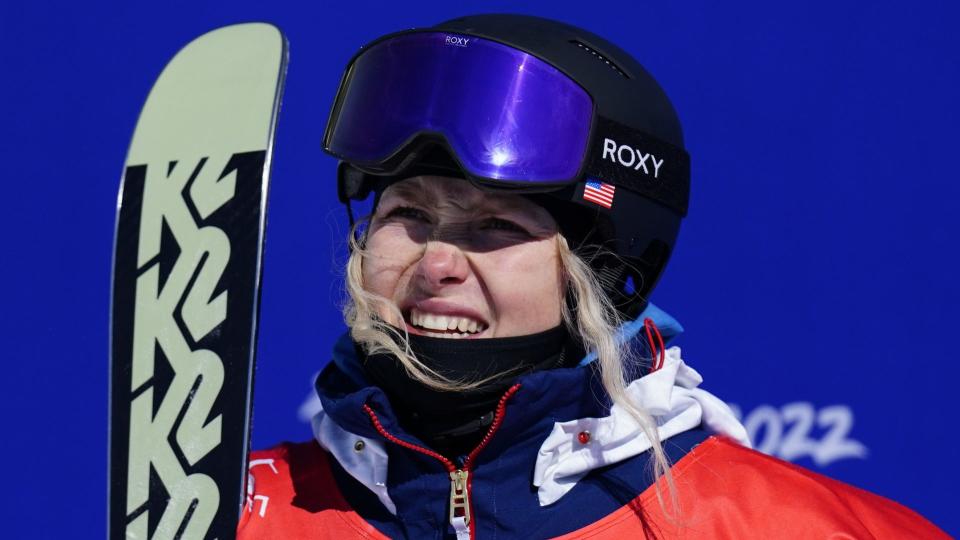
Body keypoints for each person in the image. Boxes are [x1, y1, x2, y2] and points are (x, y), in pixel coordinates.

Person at [237, 14, 947, 539]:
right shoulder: (228, 515)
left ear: (603, 274)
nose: (438, 264)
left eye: (497, 228)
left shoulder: (807, 530)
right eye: (409, 215)